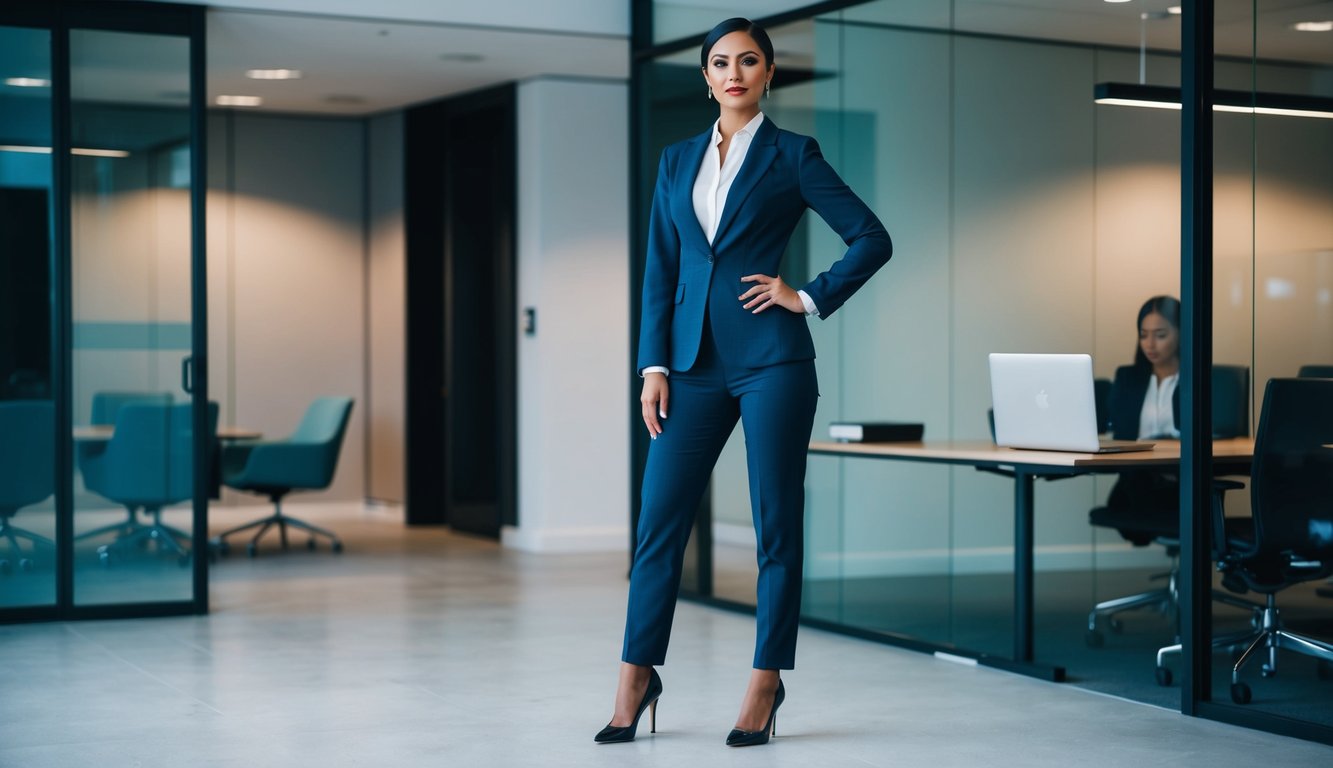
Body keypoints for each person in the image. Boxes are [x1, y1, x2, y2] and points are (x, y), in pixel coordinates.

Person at [595, 17, 893, 748]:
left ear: (767, 74)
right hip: (690, 367)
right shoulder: (674, 161)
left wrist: (809, 294)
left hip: (772, 363)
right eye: (720, 62)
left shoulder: (794, 155)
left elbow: (871, 236)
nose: (733, 72)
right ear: (704, 77)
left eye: (748, 61)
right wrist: (652, 366)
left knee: (774, 526)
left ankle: (765, 681)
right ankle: (635, 677)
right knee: (657, 524)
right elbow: (660, 273)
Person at [1103, 295, 1182, 540]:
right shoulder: (1129, 379)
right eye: (1143, 334)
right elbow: (1117, 432)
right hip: (1136, 481)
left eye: (1160, 335)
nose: (1150, 344)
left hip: (1181, 482)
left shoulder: (1197, 380)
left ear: (1181, 333)